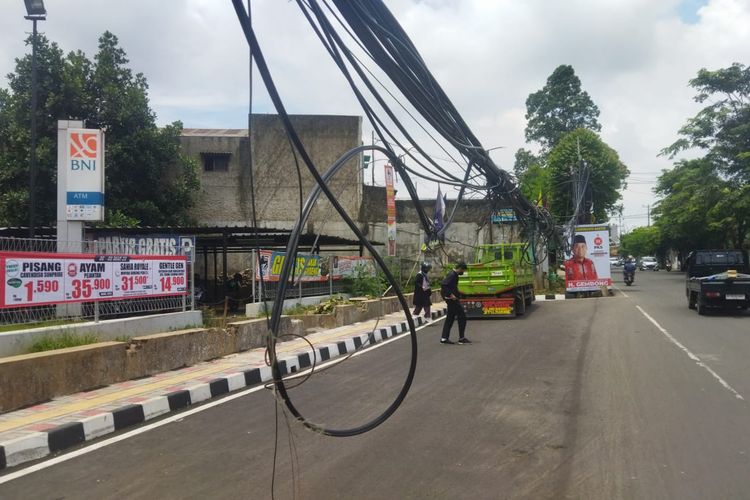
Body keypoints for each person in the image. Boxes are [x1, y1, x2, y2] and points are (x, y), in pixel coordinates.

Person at [440, 261, 471, 344]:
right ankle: (461, 338)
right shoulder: (452, 275)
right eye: (463, 270)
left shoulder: (454, 275)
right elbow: (443, 284)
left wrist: (458, 294)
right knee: (462, 317)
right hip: (452, 300)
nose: (463, 272)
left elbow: (451, 286)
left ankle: (444, 338)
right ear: (460, 268)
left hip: (451, 300)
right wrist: (450, 295)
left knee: (449, 319)